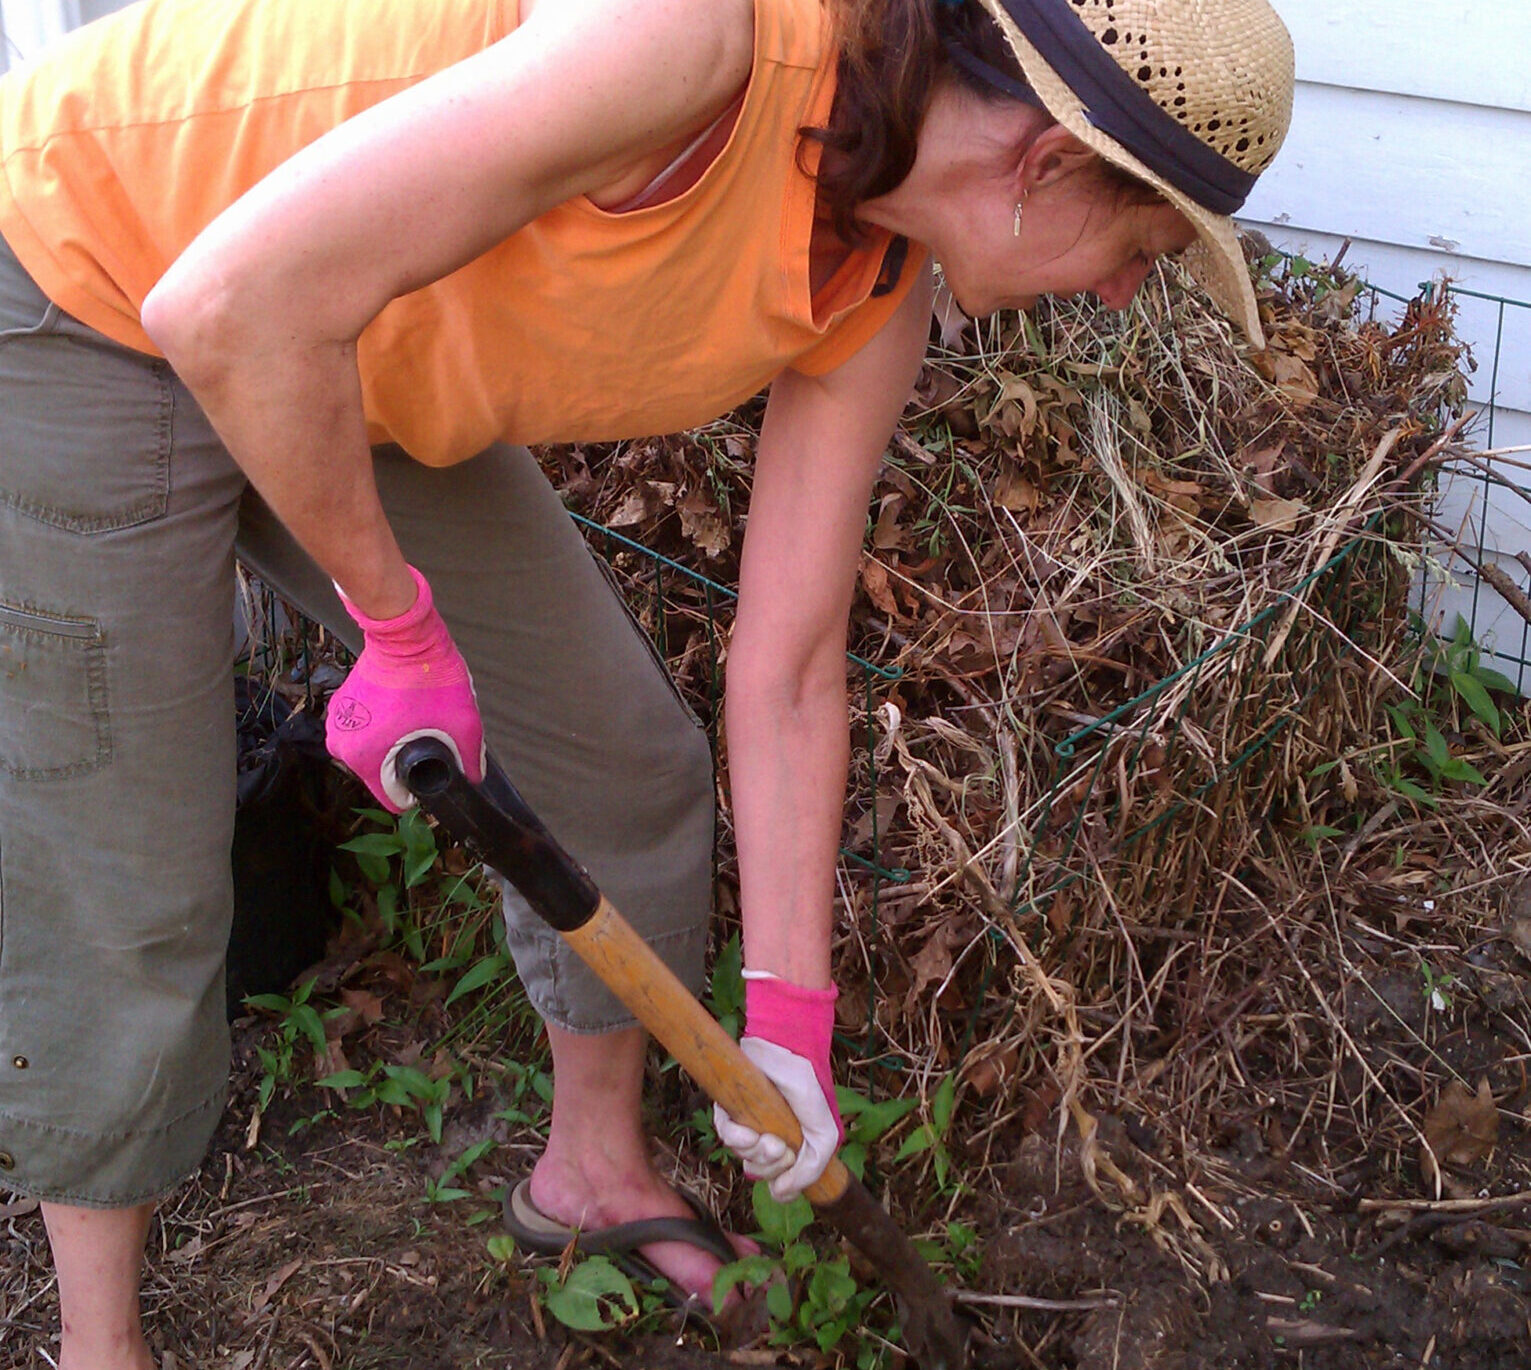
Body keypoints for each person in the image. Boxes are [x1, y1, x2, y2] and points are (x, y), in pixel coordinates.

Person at [0, 0, 1294, 1364]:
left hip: (345, 334)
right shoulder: (694, 41)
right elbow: (226, 304)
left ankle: (590, 1173)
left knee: (619, 762)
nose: (1117, 296)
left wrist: (790, 1020)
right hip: (97, 272)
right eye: (1141, 249)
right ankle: (100, 1341)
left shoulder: (871, 288)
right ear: (1043, 164)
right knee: (130, 862)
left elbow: (791, 667)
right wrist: (401, 633)